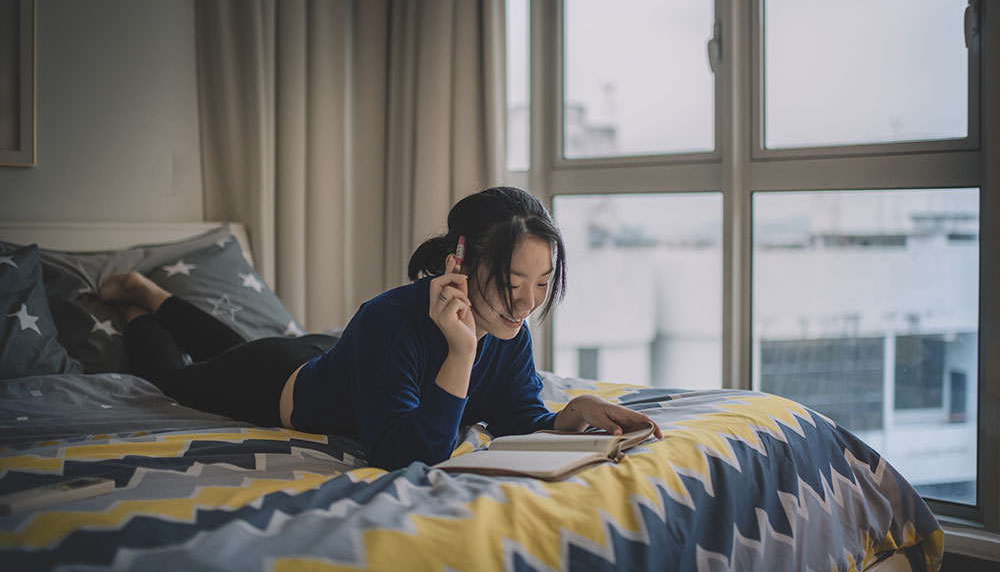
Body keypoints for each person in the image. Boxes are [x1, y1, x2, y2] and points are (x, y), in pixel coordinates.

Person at [101, 187, 662, 471]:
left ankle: (153, 294)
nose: (526, 303)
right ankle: (137, 304)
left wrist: (572, 415)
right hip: (274, 383)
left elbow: (518, 419)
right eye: (513, 281)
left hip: (333, 357)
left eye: (542, 284)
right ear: (460, 262)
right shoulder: (388, 322)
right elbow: (402, 455)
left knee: (237, 342)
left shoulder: (510, 329)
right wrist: (461, 354)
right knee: (179, 378)